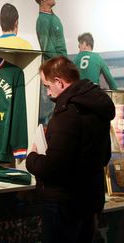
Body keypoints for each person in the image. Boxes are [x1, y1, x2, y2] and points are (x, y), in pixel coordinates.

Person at [26, 56, 115, 243]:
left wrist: (32, 157)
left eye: (47, 86)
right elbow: (104, 155)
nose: (48, 93)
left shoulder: (67, 112)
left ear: (59, 82)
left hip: (64, 205)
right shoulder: (96, 108)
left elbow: (52, 167)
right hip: (89, 201)